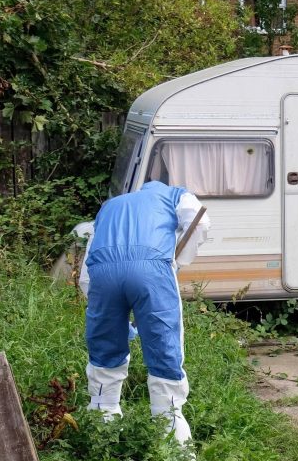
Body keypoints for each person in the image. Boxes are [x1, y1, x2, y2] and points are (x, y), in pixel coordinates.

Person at [78, 180, 210, 445]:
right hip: (151, 269)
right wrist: (177, 262)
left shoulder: (109, 207)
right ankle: (170, 430)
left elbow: (86, 275)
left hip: (102, 273)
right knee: (164, 344)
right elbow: (201, 222)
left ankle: (103, 431)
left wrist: (111, 314)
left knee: (104, 348)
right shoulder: (175, 195)